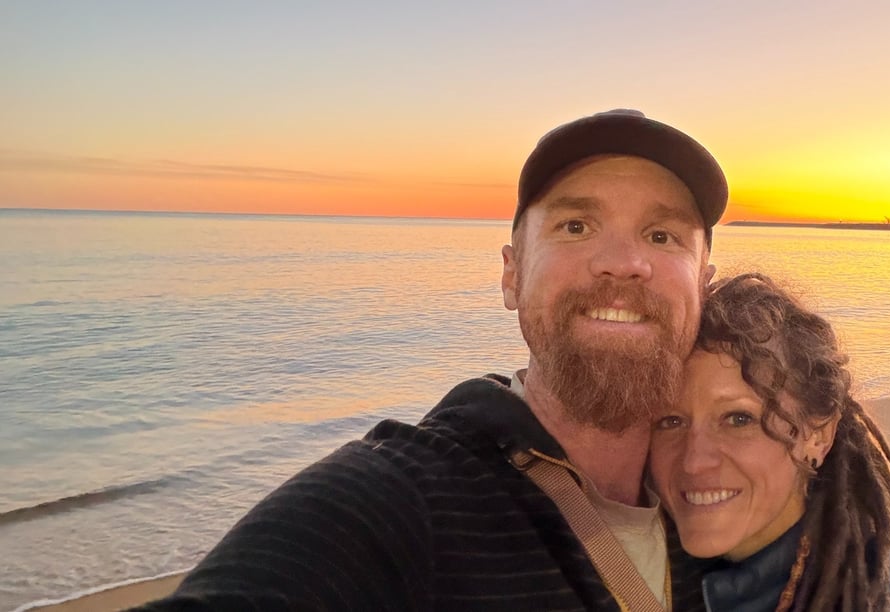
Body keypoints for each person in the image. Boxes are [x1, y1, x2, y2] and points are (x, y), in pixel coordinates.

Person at [134, 109, 725, 611]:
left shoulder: (722, 498)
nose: (623, 262)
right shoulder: (400, 500)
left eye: (661, 236)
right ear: (512, 275)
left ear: (702, 285)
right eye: (576, 226)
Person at [649, 273, 890, 612]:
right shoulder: (653, 571)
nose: (694, 461)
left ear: (818, 436)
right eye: (670, 421)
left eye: (739, 419)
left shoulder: (889, 603)